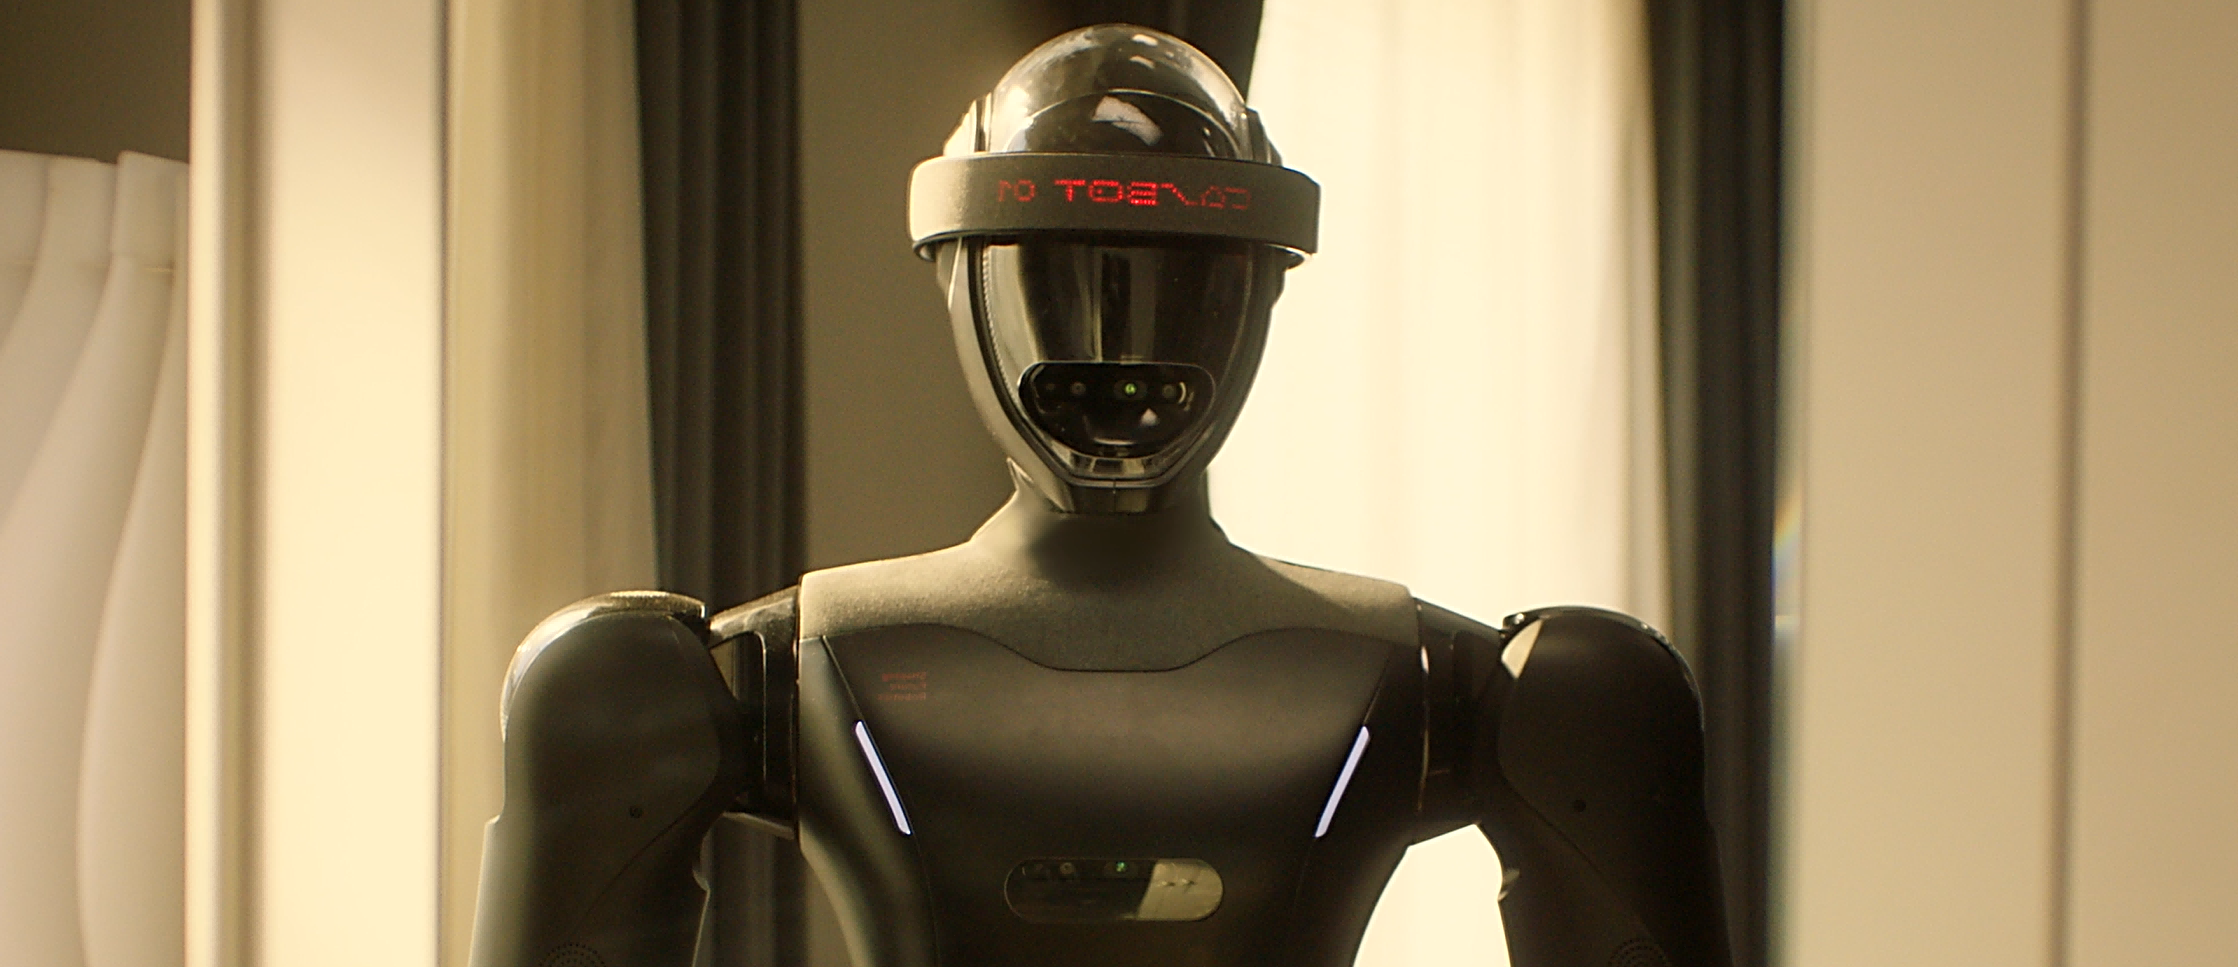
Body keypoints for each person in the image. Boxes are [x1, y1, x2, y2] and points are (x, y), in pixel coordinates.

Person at [471, 24, 1732, 967]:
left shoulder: (777, 672)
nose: (1119, 344)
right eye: (1066, 278)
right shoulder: (1447, 686)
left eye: (1172, 279)